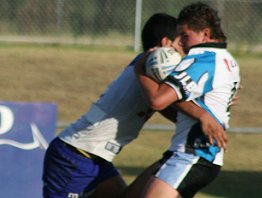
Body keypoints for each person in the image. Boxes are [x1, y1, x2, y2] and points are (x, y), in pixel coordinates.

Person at [42, 13, 227, 198]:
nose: (186, 49)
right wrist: (204, 114)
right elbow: (174, 102)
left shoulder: (148, 66)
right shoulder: (157, 60)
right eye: (181, 42)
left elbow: (169, 105)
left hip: (92, 157)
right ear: (166, 43)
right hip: (74, 158)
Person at [126, 2, 241, 198]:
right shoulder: (228, 60)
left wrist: (139, 70)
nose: (180, 42)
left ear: (205, 33)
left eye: (185, 36)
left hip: (193, 155)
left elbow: (157, 100)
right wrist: (202, 114)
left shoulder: (200, 60)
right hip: (193, 155)